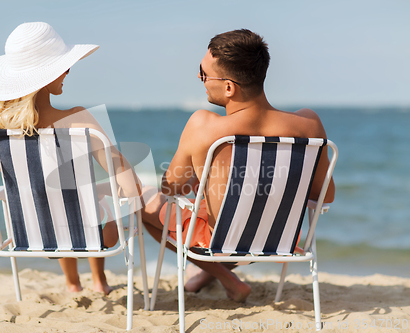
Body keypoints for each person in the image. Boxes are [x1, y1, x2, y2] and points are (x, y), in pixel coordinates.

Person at [141, 29, 335, 302]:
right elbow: (324, 196)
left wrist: (200, 177)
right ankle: (216, 276)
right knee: (233, 210)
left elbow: (171, 188)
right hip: (280, 239)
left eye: (204, 73)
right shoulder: (309, 123)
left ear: (229, 87)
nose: (200, 78)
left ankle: (227, 279)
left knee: (142, 201)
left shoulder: (204, 126)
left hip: (221, 242)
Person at [0, 22, 141, 295]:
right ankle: (99, 281)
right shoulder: (79, 119)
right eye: (64, 67)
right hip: (94, 239)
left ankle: (72, 283)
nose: (68, 72)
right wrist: (128, 190)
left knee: (63, 197)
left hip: (33, 237)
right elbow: (132, 188)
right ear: (46, 77)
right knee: (95, 197)